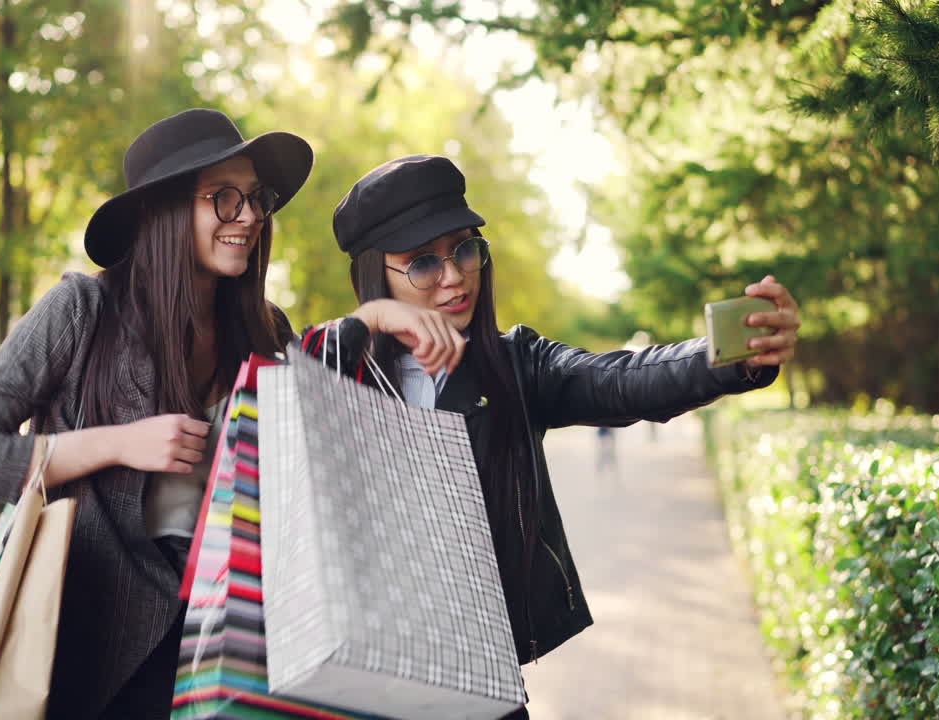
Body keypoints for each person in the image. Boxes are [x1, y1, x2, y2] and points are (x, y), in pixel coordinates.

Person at [0, 111, 463, 719]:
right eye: (223, 198)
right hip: (99, 646)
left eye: (256, 200)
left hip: (233, 639)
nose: (250, 217)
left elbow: (320, 422)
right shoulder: (82, 312)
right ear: (164, 211)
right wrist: (117, 443)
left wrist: (374, 321)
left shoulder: (265, 329)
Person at [306, 154, 802, 714]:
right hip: (351, 678)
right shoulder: (328, 367)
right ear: (374, 275)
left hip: (476, 680)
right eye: (422, 263)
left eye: (465, 249)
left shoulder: (514, 366)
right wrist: (367, 324)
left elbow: (621, 380)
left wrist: (730, 358)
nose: (453, 277)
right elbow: (252, 409)